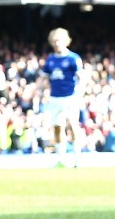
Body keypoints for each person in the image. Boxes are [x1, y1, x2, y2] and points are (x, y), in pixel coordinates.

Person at [36, 27, 86, 167]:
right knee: (57, 127)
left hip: (70, 97)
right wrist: (34, 90)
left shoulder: (73, 58)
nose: (57, 43)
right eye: (54, 41)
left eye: (59, 40)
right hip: (55, 98)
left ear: (66, 41)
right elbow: (43, 78)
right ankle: (61, 159)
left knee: (73, 125)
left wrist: (80, 92)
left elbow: (82, 77)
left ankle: (77, 160)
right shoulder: (50, 60)